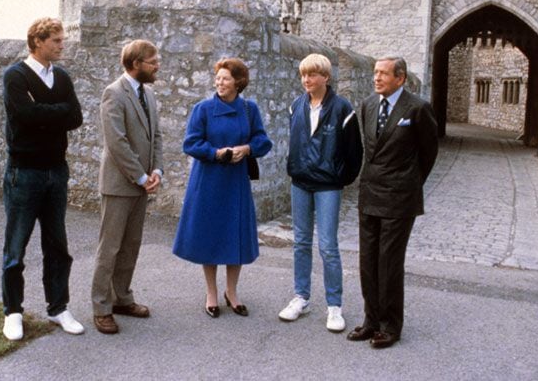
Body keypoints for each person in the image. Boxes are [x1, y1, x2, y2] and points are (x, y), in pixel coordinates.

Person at [1, 17, 84, 341]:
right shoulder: (15, 76)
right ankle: (13, 312)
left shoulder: (60, 76)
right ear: (38, 41)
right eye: (57, 40)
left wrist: (46, 112)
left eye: (62, 40)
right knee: (15, 248)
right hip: (24, 173)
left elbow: (75, 117)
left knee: (57, 246)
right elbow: (24, 115)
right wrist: (57, 112)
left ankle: (58, 308)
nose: (62, 45)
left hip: (56, 171)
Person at [346, 56, 438, 349]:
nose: (377, 78)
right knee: (368, 261)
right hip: (370, 194)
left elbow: (428, 154)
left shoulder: (418, 109)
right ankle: (371, 320)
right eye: (375, 73)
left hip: (399, 198)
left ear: (400, 78)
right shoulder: (368, 106)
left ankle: (390, 325)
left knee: (389, 263)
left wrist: (408, 183)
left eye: (383, 74)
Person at [173, 57, 272, 318]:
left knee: (235, 235)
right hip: (208, 180)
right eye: (217, 78)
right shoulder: (203, 109)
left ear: (238, 82)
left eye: (225, 78)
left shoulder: (249, 110)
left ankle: (232, 291)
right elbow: (190, 144)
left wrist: (247, 148)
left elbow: (263, 140)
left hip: (236, 182)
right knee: (210, 236)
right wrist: (216, 153)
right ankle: (211, 294)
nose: (219, 82)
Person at [278, 53, 363, 332]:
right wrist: (295, 168)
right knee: (301, 242)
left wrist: (341, 177)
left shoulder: (342, 108)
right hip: (300, 182)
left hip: (328, 185)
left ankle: (334, 306)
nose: (306, 80)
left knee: (327, 245)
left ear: (325, 77)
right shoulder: (295, 106)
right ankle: (301, 297)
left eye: (312, 75)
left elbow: (354, 151)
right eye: (303, 75)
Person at [91, 40, 164, 335]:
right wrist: (140, 176)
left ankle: (122, 298)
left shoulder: (148, 92)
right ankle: (101, 307)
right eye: (152, 61)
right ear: (135, 64)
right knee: (109, 248)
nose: (157, 64)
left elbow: (156, 136)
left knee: (131, 246)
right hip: (119, 185)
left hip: (141, 184)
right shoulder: (113, 93)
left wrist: (156, 170)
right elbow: (116, 142)